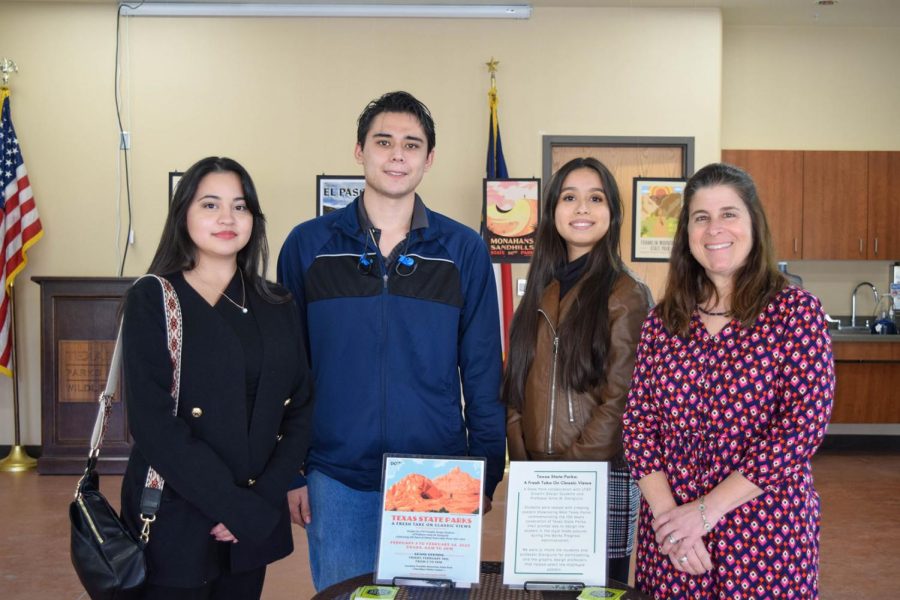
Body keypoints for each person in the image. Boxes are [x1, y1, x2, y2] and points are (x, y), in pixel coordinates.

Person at [277, 91, 506, 591]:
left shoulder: (462, 249)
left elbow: (484, 369)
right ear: (360, 151)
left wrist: (486, 467)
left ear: (429, 159)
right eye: (384, 142)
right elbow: (286, 369)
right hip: (335, 478)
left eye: (411, 144)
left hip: (438, 476)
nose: (397, 155)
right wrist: (292, 469)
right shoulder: (308, 246)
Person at [623, 162, 835, 598]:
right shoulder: (662, 322)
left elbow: (801, 428)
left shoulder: (795, 313)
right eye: (701, 217)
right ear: (687, 234)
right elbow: (638, 428)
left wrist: (704, 513)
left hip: (764, 537)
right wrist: (674, 523)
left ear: (753, 223)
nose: (714, 228)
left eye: (729, 214)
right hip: (675, 544)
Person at [120, 156, 314, 600]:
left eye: (240, 206)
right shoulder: (154, 297)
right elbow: (151, 425)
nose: (227, 218)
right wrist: (233, 505)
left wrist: (262, 500)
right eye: (210, 205)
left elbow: (301, 408)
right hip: (174, 514)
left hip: (251, 521)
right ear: (184, 214)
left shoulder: (277, 302)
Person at [503, 157, 651, 584]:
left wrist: (568, 473)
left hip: (599, 480)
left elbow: (622, 399)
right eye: (569, 197)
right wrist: (527, 463)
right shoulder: (539, 290)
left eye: (595, 198)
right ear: (552, 211)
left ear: (613, 212)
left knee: (598, 589)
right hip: (538, 478)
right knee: (545, 590)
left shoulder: (627, 294)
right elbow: (513, 388)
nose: (582, 209)